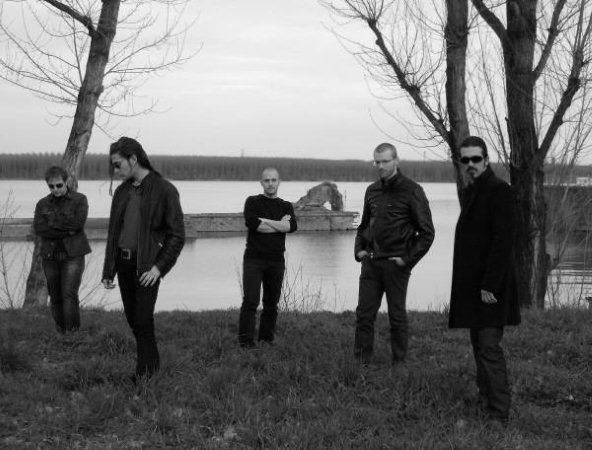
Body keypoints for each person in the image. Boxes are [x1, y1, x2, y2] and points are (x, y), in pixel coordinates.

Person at [449, 136, 521, 424]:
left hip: (491, 287)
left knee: (489, 347)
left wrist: (490, 284)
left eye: (475, 159)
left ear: (486, 160)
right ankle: (485, 400)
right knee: (479, 345)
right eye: (465, 160)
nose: (470, 164)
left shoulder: (499, 191)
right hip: (474, 287)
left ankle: (499, 413)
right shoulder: (473, 190)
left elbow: (504, 241)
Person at [102, 137, 185, 381]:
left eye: (118, 165)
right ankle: (151, 368)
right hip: (124, 263)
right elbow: (114, 233)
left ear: (133, 159)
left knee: (142, 319)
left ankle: (144, 376)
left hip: (147, 267)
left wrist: (158, 268)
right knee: (134, 320)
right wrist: (108, 270)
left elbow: (177, 235)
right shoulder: (122, 192)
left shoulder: (165, 190)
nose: (116, 171)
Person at [354, 143, 434, 365]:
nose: (380, 166)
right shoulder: (372, 190)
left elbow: (427, 233)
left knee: (396, 316)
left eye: (385, 161)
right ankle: (361, 364)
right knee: (364, 315)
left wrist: (406, 260)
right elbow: (363, 226)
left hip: (396, 264)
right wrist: (359, 250)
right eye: (377, 161)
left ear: (396, 161)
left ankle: (399, 364)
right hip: (370, 263)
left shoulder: (412, 190)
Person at [238, 168, 297, 348]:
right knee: (251, 300)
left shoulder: (286, 206)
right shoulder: (252, 202)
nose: (270, 184)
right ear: (261, 182)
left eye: (273, 180)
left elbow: (291, 227)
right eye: (267, 180)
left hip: (276, 260)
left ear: (279, 182)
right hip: (254, 259)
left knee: (271, 303)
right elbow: (255, 225)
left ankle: (266, 340)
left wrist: (266, 221)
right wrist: (280, 224)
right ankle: (245, 342)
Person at [34, 165, 91, 333]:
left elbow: (78, 224)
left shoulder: (80, 200)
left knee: (69, 294)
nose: (55, 189)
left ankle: (72, 334)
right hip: (50, 256)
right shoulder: (42, 204)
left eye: (59, 185)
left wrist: (52, 224)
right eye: (51, 186)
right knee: (55, 295)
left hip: (73, 255)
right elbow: (40, 229)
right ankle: (61, 332)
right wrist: (67, 230)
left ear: (66, 182)